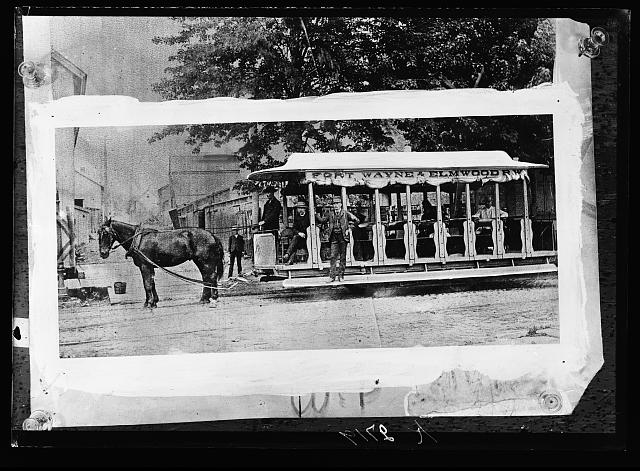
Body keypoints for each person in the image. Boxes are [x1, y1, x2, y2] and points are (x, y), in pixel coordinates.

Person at [316, 196, 360, 282]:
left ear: (340, 204)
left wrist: (349, 228)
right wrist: (315, 214)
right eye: (334, 204)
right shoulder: (331, 214)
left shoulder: (346, 213)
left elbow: (357, 220)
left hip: (343, 237)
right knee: (333, 257)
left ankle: (341, 276)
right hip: (334, 237)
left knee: (343, 257)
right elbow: (323, 220)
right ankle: (332, 277)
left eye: (337, 204)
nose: (335, 206)